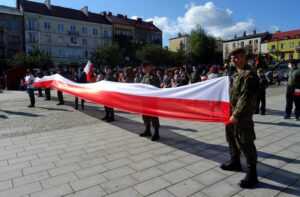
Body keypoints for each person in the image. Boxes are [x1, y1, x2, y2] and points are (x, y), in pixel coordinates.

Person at [220, 48, 259, 188]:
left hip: (242, 117)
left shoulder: (249, 75)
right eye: (232, 57)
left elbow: (245, 98)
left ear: (243, 57)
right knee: (231, 138)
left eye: (237, 57)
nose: (234, 60)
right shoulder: (236, 74)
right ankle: (235, 161)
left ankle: (252, 174)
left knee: (246, 142)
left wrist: (235, 115)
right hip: (231, 115)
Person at [139, 61, 161, 141]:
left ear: (149, 67)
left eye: (144, 67)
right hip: (145, 100)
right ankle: (147, 130)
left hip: (152, 101)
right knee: (145, 116)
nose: (143, 69)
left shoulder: (154, 77)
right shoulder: (145, 76)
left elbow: (156, 89)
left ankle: (156, 133)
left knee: (153, 117)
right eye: (143, 67)